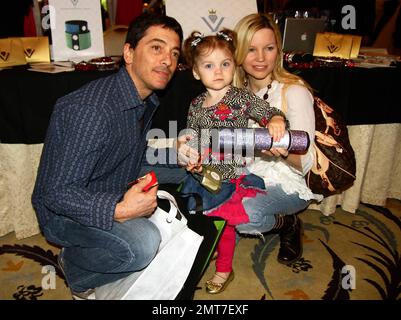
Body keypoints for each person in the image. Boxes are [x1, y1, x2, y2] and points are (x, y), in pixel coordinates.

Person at [31, 13, 184, 299]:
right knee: (143, 245)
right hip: (63, 213)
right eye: (156, 48)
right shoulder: (91, 111)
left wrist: (178, 155)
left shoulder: (144, 98)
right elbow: (55, 194)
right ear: (128, 52)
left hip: (111, 179)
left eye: (174, 53)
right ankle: (75, 268)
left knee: (185, 168)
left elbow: (130, 153)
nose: (167, 60)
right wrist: (121, 210)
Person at [180, 29, 287, 294]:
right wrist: (188, 154)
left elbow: (268, 111)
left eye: (225, 64)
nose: (218, 71)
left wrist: (275, 119)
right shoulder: (195, 104)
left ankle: (224, 269)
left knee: (224, 224)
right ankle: (211, 249)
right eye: (209, 65)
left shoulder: (240, 97)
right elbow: (192, 137)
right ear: (196, 72)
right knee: (198, 218)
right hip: (202, 174)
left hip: (228, 176)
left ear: (233, 66)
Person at [232, 13, 323, 267]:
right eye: (251, 49)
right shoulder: (235, 94)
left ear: (278, 51)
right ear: (238, 53)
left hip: (290, 182)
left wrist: (281, 150)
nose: (261, 58)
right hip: (248, 175)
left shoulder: (294, 92)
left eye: (268, 48)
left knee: (244, 216)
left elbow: (307, 164)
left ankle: (288, 223)